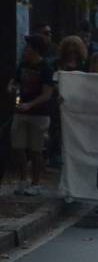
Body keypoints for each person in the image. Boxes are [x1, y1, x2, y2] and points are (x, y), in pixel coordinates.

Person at [7, 35, 55, 195]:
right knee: (18, 147)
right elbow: (16, 81)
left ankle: (36, 182)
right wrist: (12, 86)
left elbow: (47, 94)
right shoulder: (22, 65)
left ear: (35, 50)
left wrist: (30, 104)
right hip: (20, 111)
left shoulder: (46, 68)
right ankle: (22, 179)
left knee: (36, 150)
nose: (25, 50)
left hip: (39, 114)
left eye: (28, 47)